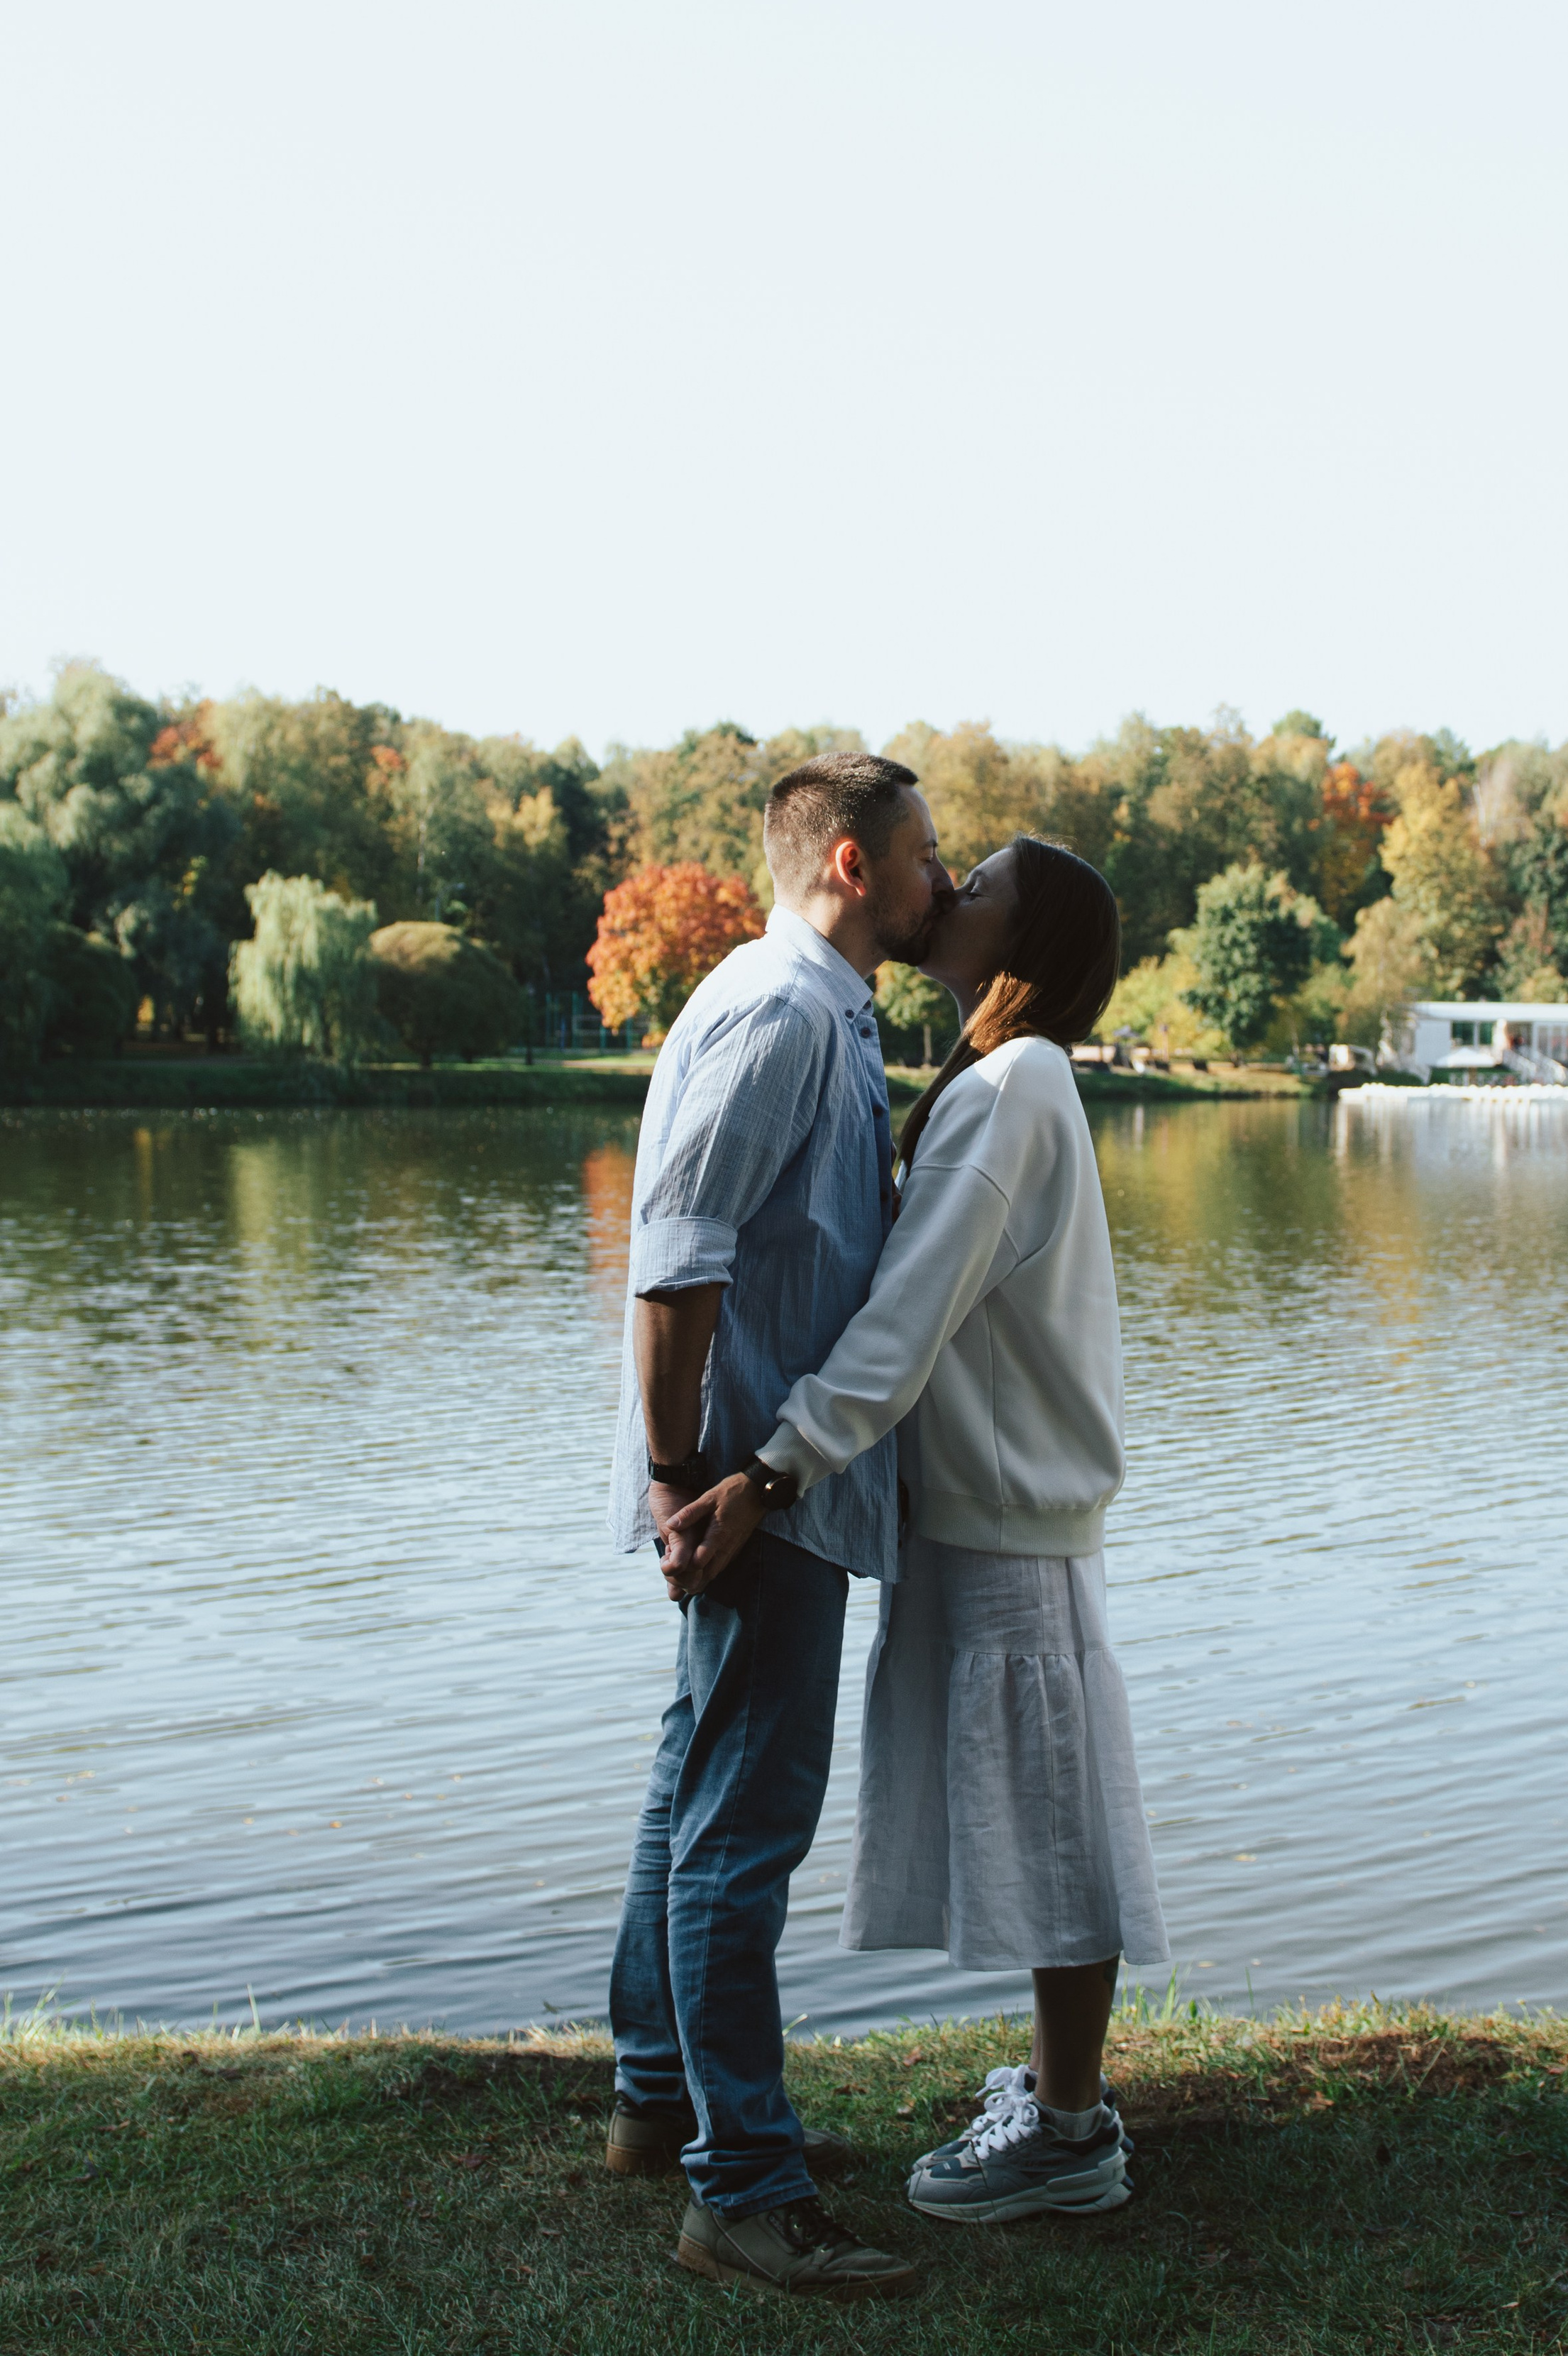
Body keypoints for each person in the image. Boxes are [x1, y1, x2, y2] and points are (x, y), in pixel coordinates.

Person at [663, 832, 1168, 2228]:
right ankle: (1061, 2097)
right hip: (984, 1507)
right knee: (1038, 1803)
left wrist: (768, 1474)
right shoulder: (996, 1082)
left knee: (1054, 1819)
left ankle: (1069, 2132)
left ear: (1024, 942)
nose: (949, 893)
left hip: (1010, 1520)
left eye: (979, 884)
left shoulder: (1016, 1086)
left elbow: (902, 1324)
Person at [604, 751, 950, 2303]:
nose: (946, 882)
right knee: (740, 1832)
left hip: (750, 1481)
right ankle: (739, 2188)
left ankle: (655, 2098)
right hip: (753, 1495)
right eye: (928, 856)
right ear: (857, 867)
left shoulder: (812, 1008)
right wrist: (692, 1473)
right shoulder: (783, 1012)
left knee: (694, 1784)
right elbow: (673, 1260)